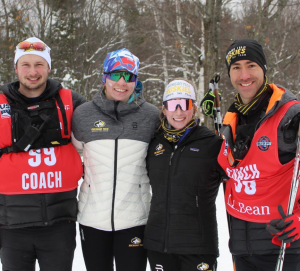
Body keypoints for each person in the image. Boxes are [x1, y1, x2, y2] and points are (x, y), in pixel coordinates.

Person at [0, 37, 86, 271]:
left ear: (48, 67)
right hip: (11, 225)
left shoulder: (71, 100)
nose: (32, 72)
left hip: (59, 222)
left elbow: (104, 131)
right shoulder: (0, 103)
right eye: (25, 64)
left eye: (39, 64)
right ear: (16, 68)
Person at [71, 48, 159, 271]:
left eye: (129, 76)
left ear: (136, 80)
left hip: (135, 219)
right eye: (115, 75)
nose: (122, 82)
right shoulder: (83, 115)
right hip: (92, 219)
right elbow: (74, 155)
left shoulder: (151, 116)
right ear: (104, 77)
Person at [218, 39, 300, 271]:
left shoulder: (290, 114)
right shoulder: (231, 118)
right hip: (242, 249)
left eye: (251, 65)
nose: (244, 75)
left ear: (263, 68)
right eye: (236, 67)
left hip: (283, 245)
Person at [144, 79, 224, 271]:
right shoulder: (154, 144)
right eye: (172, 104)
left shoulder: (212, 144)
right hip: (159, 244)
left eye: (185, 104)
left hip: (198, 246)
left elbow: (238, 176)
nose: (179, 111)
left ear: (194, 108)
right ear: (163, 109)